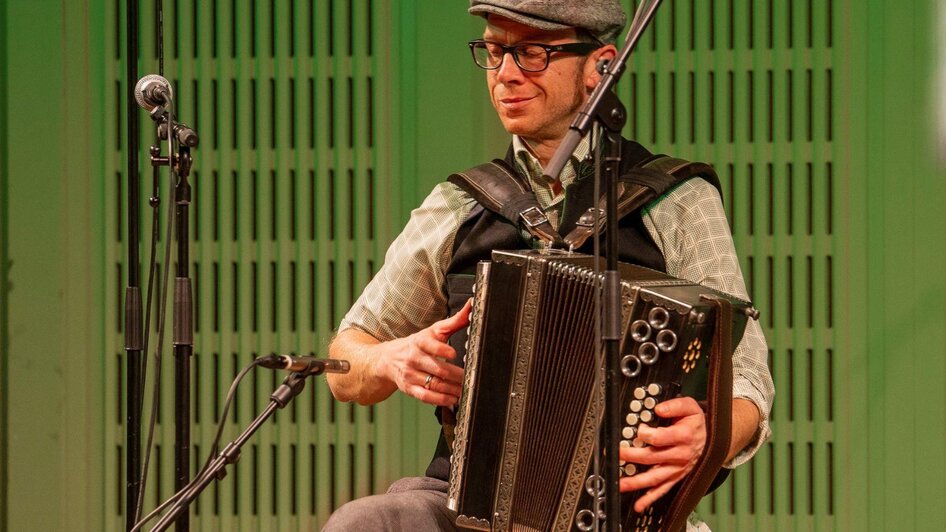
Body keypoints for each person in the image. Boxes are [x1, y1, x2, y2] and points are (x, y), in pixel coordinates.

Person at [323, 1, 774, 530]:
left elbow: (748, 375)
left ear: (600, 66)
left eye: (532, 53)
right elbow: (345, 361)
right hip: (467, 508)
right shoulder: (458, 206)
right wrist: (389, 359)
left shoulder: (676, 200)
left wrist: (711, 433)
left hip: (621, 511)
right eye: (494, 51)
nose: (505, 74)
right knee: (367, 523)